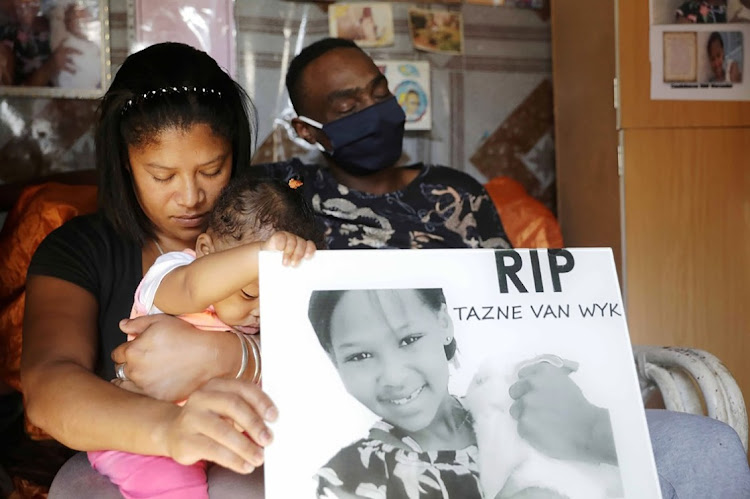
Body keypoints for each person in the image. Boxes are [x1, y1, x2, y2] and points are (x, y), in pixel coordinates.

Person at [21, 42, 277, 498]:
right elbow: (48, 383)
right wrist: (171, 428)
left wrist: (232, 359)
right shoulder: (79, 250)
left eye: (212, 169)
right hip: (134, 453)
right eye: (162, 176)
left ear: (234, 156)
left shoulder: (274, 233)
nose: (191, 197)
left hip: (258, 443)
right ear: (125, 162)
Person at [86, 175, 321, 499]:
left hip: (224, 437)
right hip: (151, 434)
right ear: (205, 250)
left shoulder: (267, 317)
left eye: (276, 295)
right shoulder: (174, 272)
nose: (261, 311)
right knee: (174, 488)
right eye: (250, 291)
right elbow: (191, 288)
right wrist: (259, 256)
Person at [307, 288, 622, 499]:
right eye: (360, 356)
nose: (393, 377)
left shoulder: (518, 399)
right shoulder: (347, 480)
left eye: (408, 340)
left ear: (444, 324)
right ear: (335, 361)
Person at [259, 37, 511, 251]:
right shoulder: (290, 193)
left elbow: (508, 292)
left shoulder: (457, 194)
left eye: (380, 93)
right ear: (307, 131)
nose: (375, 111)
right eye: (348, 107)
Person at [0, 0, 82, 86]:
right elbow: (16, 94)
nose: (24, 4)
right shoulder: (7, 34)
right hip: (33, 96)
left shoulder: (57, 25)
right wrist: (51, 65)